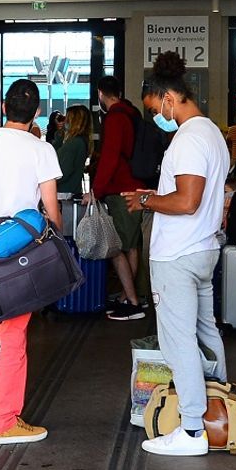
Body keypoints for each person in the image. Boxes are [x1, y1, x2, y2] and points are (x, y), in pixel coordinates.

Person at [126, 52, 229, 457]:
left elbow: (187, 201)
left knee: (178, 342)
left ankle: (191, 430)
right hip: (203, 249)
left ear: (169, 98)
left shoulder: (188, 139)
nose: (157, 118)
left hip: (178, 255)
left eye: (156, 109)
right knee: (207, 333)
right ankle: (218, 409)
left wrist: (148, 199)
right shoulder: (212, 134)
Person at [0, 79, 62, 445]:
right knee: (14, 336)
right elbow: (52, 212)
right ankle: (5, 420)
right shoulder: (41, 149)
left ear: (4, 107)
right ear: (36, 112)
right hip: (21, 256)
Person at [93, 76, 148, 321]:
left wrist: (95, 190)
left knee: (116, 247)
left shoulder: (115, 118)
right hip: (136, 187)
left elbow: (110, 158)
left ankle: (132, 302)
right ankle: (129, 295)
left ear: (101, 94)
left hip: (121, 189)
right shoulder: (133, 113)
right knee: (131, 244)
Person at [56, 105, 92, 195]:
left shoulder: (73, 144)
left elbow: (63, 171)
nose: (65, 121)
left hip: (63, 192)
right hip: (73, 190)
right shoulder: (82, 141)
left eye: (67, 118)